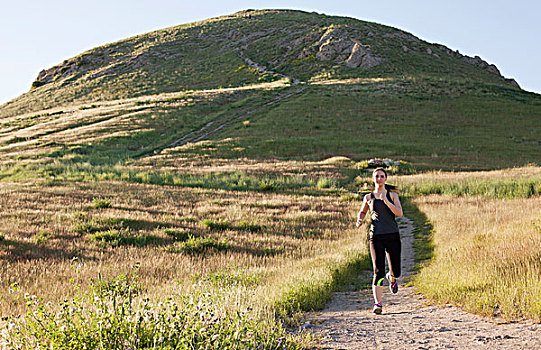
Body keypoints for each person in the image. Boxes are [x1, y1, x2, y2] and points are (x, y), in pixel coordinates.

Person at [356, 167, 403, 314]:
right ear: (373, 179)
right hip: (376, 236)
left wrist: (386, 202)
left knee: (396, 270)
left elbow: (399, 213)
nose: (379, 179)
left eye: (382, 176)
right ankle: (378, 304)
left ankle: (392, 277)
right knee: (378, 270)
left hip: (392, 235)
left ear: (386, 179)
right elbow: (363, 211)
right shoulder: (368, 197)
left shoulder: (392, 195)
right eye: (377, 176)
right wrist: (360, 219)